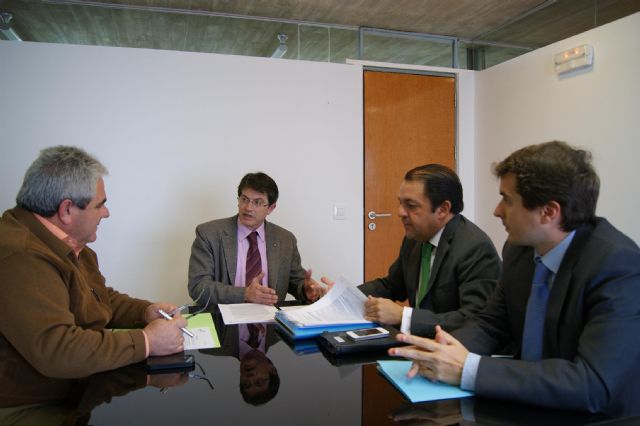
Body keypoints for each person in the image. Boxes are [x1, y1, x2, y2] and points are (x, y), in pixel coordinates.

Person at [390, 141, 640, 416]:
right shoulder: (519, 250)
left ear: (548, 212)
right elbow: (491, 324)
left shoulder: (618, 266)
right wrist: (443, 351)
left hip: (596, 415)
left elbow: (591, 384)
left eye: (507, 199)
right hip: (527, 399)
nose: (497, 210)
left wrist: (468, 369)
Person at [0, 146, 187, 407]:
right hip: (33, 404)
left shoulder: (65, 242)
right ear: (67, 210)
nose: (106, 213)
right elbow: (59, 350)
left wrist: (144, 311)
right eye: (100, 205)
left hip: (77, 388)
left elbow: (96, 296)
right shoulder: (21, 256)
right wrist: (147, 341)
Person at [326, 164, 501, 337]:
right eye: (400, 203)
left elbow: (473, 319)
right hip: (416, 342)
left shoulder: (475, 248)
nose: (400, 212)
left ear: (443, 209)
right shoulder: (415, 238)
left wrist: (403, 316)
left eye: (411, 205)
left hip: (450, 348)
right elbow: (391, 285)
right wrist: (343, 295)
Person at [188, 172, 324, 306]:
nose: (248, 207)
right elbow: (198, 287)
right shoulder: (209, 234)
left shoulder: (285, 240)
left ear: (271, 208)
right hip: (223, 317)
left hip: (270, 317)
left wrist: (306, 290)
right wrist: (245, 294)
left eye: (257, 202)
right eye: (244, 199)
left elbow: (295, 282)